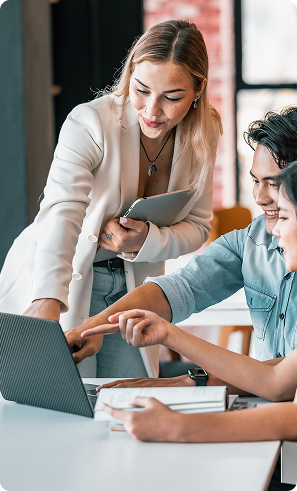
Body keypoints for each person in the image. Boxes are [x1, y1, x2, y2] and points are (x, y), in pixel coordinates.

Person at [0, 20, 222, 378]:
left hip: (133, 290)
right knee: (59, 408)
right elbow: (62, 209)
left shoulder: (206, 130)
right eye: (142, 89)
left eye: (172, 97)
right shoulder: (89, 122)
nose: (152, 110)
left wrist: (145, 240)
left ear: (198, 90)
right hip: (59, 274)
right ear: (130, 73)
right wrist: (47, 299)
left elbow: (198, 227)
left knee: (129, 400)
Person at [65, 106, 297, 380]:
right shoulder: (252, 240)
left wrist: (181, 382)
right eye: (255, 181)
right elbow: (180, 287)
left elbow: (281, 381)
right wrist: (93, 327)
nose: (258, 197)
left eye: (272, 184)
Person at [82, 160, 297, 449]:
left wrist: (177, 426)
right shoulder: (250, 240)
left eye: (283, 216)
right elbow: (276, 381)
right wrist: (167, 334)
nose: (272, 231)